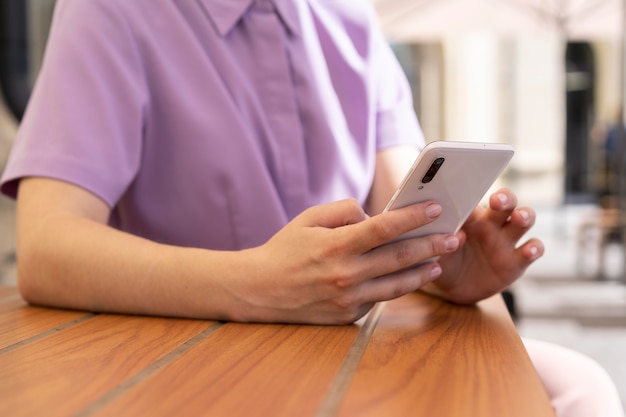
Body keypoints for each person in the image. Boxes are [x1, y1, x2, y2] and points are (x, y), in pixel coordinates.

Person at [0, 0, 623, 415]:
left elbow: (397, 204)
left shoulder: (348, 13)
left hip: (353, 355)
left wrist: (440, 261)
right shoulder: (113, 10)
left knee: (583, 390)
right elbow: (47, 245)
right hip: (185, 363)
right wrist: (253, 284)